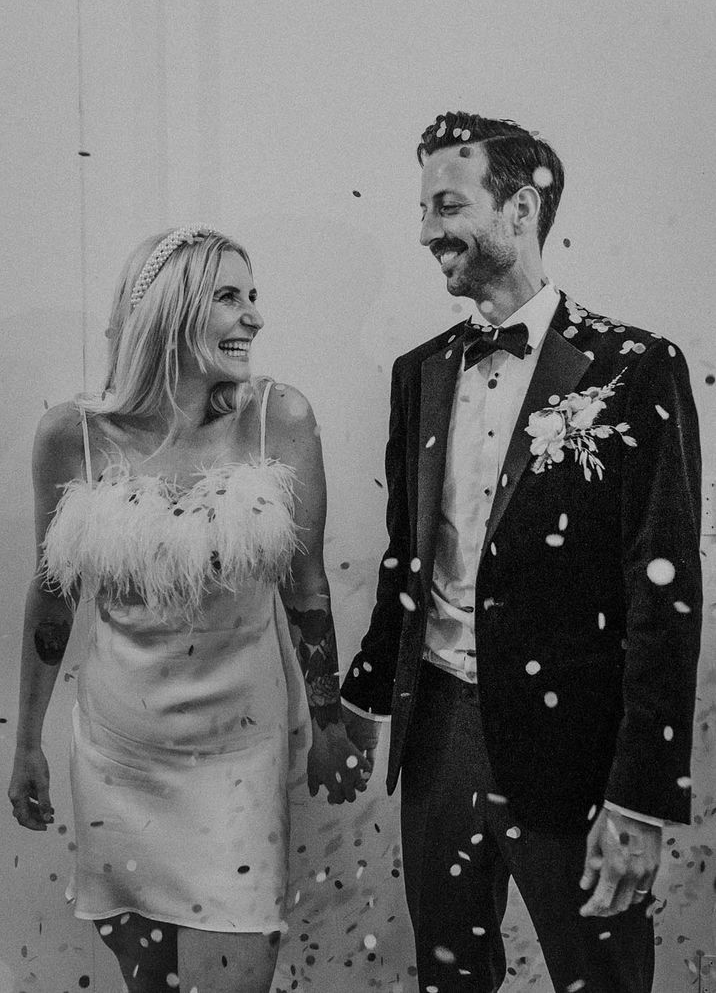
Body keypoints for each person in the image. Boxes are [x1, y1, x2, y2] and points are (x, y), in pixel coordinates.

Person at [342, 112, 702, 993]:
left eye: (448, 204)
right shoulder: (417, 373)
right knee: (450, 979)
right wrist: (354, 701)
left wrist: (641, 798)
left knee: (603, 979)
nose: (428, 231)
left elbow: (665, 593)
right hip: (437, 739)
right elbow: (406, 558)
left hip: (574, 749)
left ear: (522, 207)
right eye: (422, 208)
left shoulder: (637, 367)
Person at [8, 225, 370, 993]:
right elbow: (52, 598)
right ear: (172, 311)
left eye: (254, 297)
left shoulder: (281, 418)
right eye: (229, 298)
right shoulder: (70, 436)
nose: (255, 318)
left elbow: (306, 587)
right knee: (151, 985)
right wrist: (26, 743)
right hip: (116, 755)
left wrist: (330, 722)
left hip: (238, 755)